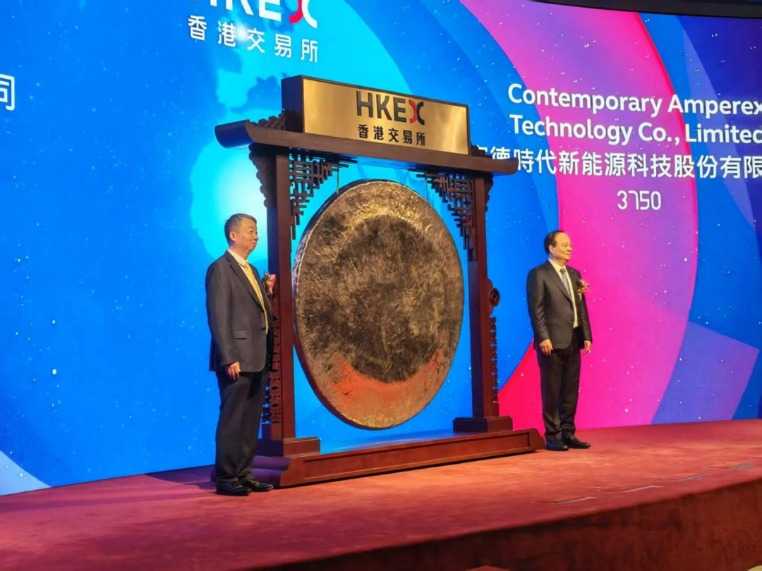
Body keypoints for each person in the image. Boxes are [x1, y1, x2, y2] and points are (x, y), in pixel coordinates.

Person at [206, 213, 276, 495]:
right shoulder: (220, 269)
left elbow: (255, 312)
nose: (255, 236)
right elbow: (218, 316)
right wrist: (228, 357)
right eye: (250, 231)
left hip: (257, 356)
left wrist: (267, 292)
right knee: (233, 419)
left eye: (256, 231)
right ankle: (225, 477)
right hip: (236, 359)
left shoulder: (252, 270)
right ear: (233, 235)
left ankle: (244, 473)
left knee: (250, 421)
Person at [526, 230, 593, 451]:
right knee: (552, 390)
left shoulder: (574, 274)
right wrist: (542, 337)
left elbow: (580, 307)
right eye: (564, 245)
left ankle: (568, 432)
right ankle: (553, 435)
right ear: (551, 248)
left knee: (570, 391)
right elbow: (536, 310)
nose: (569, 248)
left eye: (570, 244)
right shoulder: (539, 274)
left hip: (573, 340)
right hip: (551, 343)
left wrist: (586, 335)